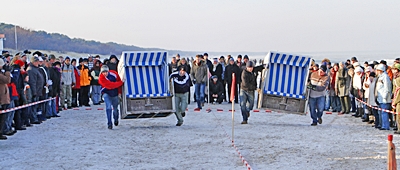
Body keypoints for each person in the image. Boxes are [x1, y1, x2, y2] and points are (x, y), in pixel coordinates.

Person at [98, 65, 124, 129]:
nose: (105, 74)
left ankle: (116, 119)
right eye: (103, 72)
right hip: (106, 93)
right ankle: (109, 123)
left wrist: (119, 93)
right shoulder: (101, 78)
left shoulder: (114, 74)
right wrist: (121, 82)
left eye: (106, 72)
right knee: (108, 107)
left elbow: (118, 83)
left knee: (115, 109)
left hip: (115, 93)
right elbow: (110, 85)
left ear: (108, 71)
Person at [27, 56, 44, 124]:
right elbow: (33, 82)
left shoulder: (37, 69)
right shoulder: (31, 70)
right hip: (35, 91)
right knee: (33, 106)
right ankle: (33, 118)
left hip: (39, 90)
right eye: (36, 61)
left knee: (36, 106)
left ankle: (36, 117)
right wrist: (34, 92)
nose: (38, 63)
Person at [375, 64, 392, 130]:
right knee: (382, 112)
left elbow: (387, 88)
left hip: (385, 98)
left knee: (384, 113)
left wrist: (385, 96)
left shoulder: (385, 77)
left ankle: (386, 126)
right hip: (380, 97)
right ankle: (383, 125)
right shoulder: (380, 77)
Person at [0, 59, 11, 140]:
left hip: (3, 97)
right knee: (2, 117)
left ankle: (2, 131)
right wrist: (7, 72)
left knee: (4, 116)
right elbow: (7, 80)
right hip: (1, 98)